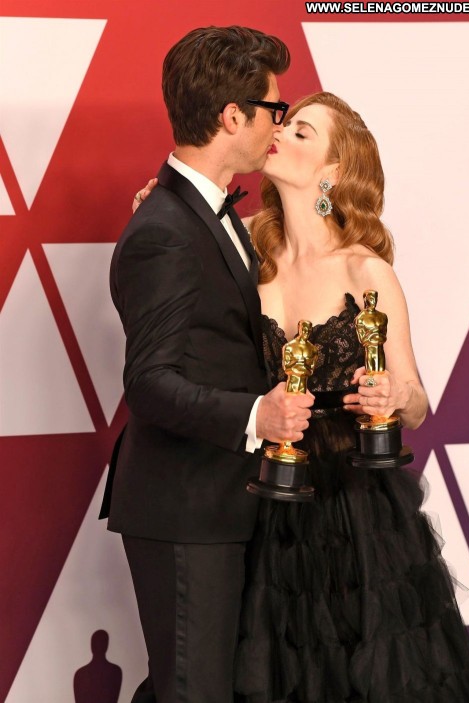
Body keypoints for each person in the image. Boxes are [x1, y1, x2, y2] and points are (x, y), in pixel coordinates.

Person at [135, 91, 469, 702]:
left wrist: (392, 393)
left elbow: (416, 401)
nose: (280, 133)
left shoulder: (366, 271)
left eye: (302, 132)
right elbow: (174, 252)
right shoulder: (240, 248)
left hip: (354, 508)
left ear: (333, 170)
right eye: (286, 122)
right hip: (259, 490)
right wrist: (160, 208)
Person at [100, 26, 314, 703]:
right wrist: (258, 414)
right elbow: (149, 383)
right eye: (274, 109)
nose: (279, 124)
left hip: (224, 503)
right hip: (186, 508)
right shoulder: (166, 229)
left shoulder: (198, 214)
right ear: (232, 117)